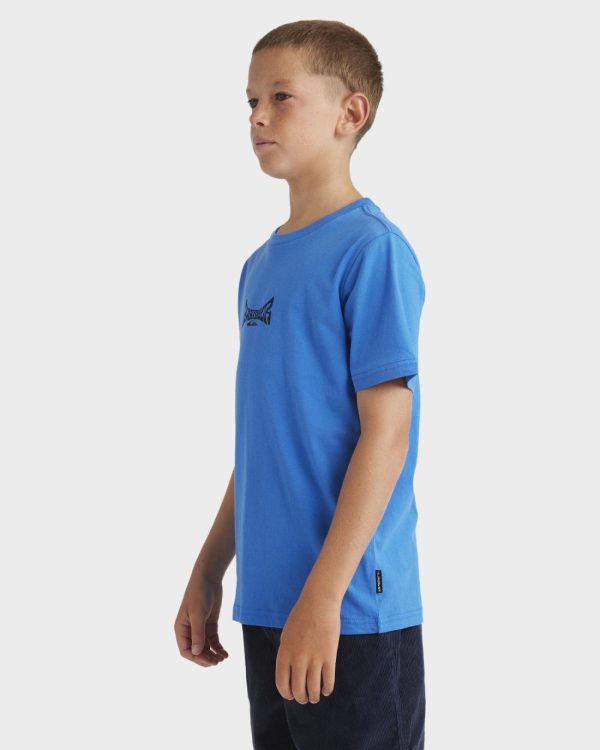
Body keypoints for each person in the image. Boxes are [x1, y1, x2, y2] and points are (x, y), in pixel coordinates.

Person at [175, 19, 427, 749]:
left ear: (352, 112)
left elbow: (388, 434)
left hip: (347, 612)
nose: (258, 116)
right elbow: (264, 442)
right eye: (251, 100)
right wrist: (210, 568)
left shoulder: (372, 251)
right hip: (270, 604)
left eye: (281, 97)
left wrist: (324, 596)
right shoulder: (260, 266)